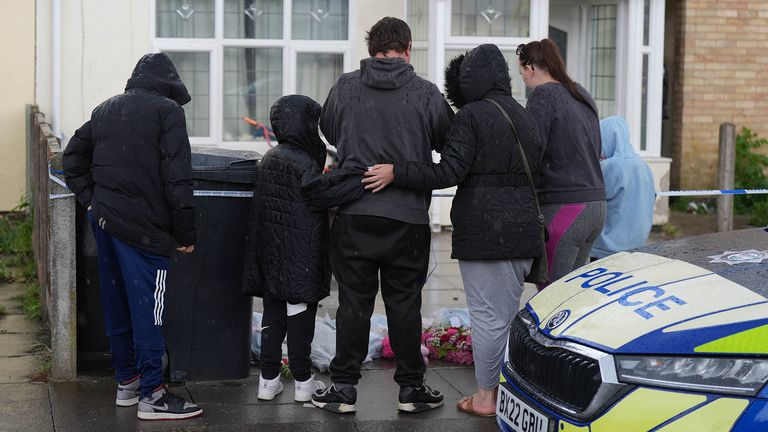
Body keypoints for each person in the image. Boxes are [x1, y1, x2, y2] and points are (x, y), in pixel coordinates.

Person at [362, 44, 543, 417]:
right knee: (508, 316)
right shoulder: (524, 115)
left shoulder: (472, 116)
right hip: (524, 229)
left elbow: (448, 172)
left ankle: (486, 398)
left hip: (485, 232)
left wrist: (398, 170)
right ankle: (504, 391)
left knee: (487, 318)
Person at [310, 17, 454, 414]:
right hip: (407, 217)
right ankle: (411, 390)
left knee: (354, 303)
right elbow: (449, 139)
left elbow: (331, 131)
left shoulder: (345, 87)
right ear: (407, 48)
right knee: (404, 304)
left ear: (372, 47)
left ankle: (343, 389)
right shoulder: (425, 93)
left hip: (354, 213)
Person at [62, 53, 202, 420]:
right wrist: (185, 232)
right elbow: (178, 179)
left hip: (106, 226)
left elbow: (71, 158)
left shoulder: (104, 110)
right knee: (149, 311)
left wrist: (91, 201)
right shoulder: (167, 113)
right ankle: (153, 395)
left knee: (118, 305)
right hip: (145, 231)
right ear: (169, 84)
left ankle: (128, 382)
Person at [240, 95, 365, 403]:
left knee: (273, 319)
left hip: (271, 257)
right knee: (299, 321)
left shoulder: (271, 157)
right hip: (300, 257)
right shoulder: (302, 161)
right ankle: (303, 381)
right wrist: (359, 179)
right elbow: (318, 192)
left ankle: (268, 380)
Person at [517, 38, 607, 286]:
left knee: (552, 296)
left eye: (522, 72)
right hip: (596, 205)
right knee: (573, 292)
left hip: (565, 207)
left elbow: (530, 151)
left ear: (531, 68)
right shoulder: (579, 92)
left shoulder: (543, 95)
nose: (523, 79)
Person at [590, 116, 656, 259]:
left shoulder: (608, 167)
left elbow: (592, 204)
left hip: (606, 249)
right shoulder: (645, 167)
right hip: (638, 246)